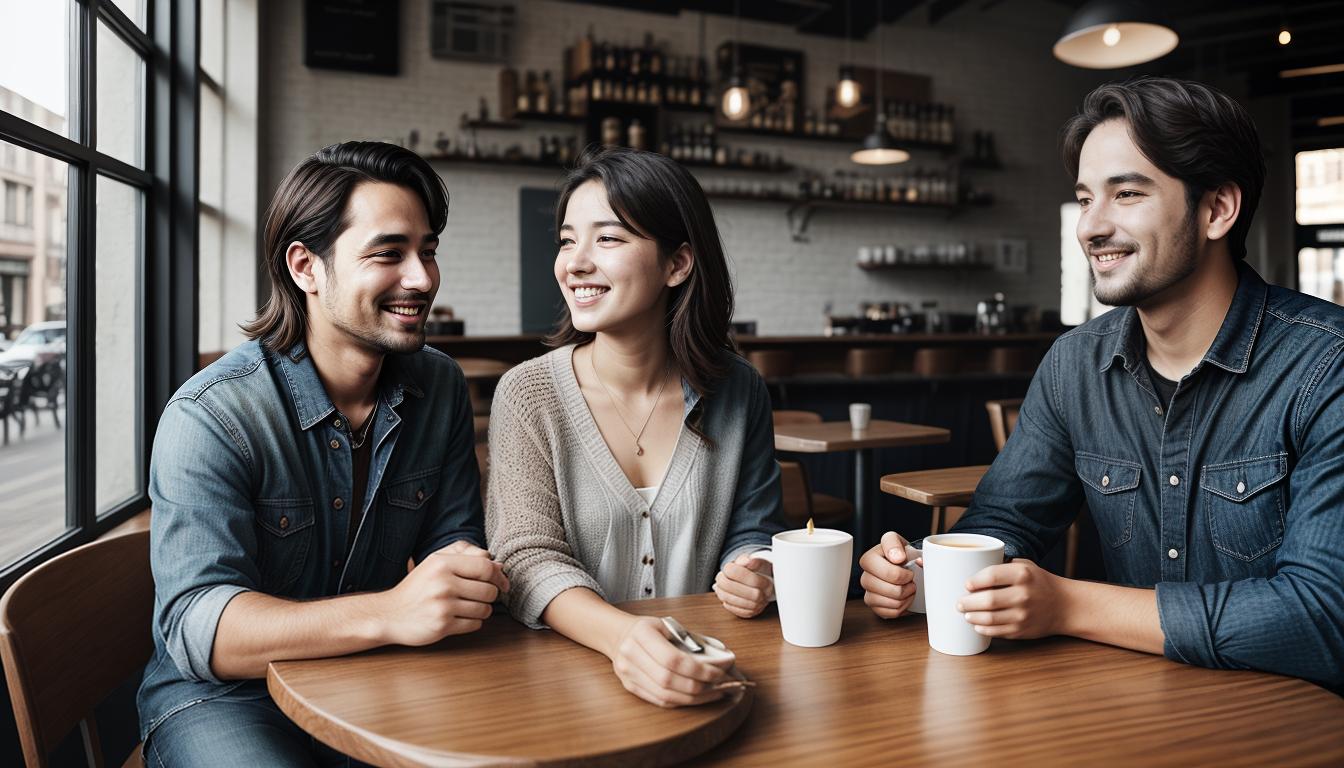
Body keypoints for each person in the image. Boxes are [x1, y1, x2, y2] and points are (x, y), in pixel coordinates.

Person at [860, 77, 1344, 690]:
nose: (1091, 226)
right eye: (1086, 198)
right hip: (1130, 706)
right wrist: (926, 571)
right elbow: (1006, 524)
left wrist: (1067, 605)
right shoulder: (1074, 365)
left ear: (1218, 209)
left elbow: (1324, 619)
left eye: (1128, 193)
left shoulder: (1326, 366)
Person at [138, 141, 508, 766]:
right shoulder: (211, 415)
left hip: (379, 677)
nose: (422, 279)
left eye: (428, 252)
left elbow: (456, 548)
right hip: (227, 701)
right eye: (389, 254)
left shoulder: (437, 384)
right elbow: (206, 629)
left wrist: (466, 579)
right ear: (306, 267)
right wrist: (392, 612)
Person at [486, 146, 786, 708]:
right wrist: (624, 639)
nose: (574, 262)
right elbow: (526, 559)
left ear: (677, 264)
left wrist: (757, 569)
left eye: (608, 238)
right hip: (561, 686)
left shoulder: (738, 390)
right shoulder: (528, 394)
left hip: (704, 680)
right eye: (567, 239)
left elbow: (755, 529)